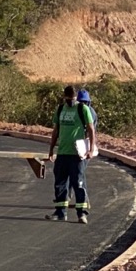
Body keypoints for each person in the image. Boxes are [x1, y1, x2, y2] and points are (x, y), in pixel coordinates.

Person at [46, 85, 96, 224]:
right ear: (64, 97)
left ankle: (82, 214)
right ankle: (60, 212)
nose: (70, 101)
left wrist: (91, 149)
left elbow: (91, 129)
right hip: (62, 153)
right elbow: (56, 130)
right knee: (60, 184)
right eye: (68, 99)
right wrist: (51, 149)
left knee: (78, 183)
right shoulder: (60, 109)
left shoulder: (82, 109)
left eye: (73, 99)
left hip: (77, 154)